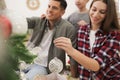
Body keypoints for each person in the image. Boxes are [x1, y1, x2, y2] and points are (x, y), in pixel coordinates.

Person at [54, 0, 120, 79]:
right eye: (94, 9)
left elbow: (96, 66)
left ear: (109, 15)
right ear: (90, 9)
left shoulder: (114, 35)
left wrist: (71, 50)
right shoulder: (82, 30)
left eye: (102, 12)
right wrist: (47, 19)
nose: (95, 15)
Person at [24, 0, 76, 80]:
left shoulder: (68, 28)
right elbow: (22, 22)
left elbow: (73, 55)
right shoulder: (39, 21)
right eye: (49, 6)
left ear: (62, 12)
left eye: (54, 8)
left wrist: (73, 76)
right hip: (26, 61)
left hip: (43, 67)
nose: (49, 10)